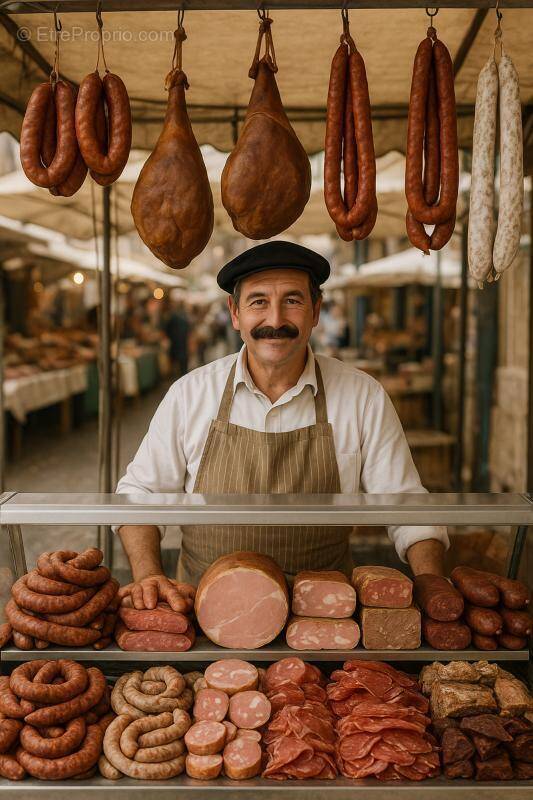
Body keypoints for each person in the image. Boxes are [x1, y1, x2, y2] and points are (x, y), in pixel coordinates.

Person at [115, 241, 448, 607]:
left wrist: (433, 586)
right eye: (258, 301)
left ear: (316, 310)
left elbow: (408, 507)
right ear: (235, 313)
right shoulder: (190, 394)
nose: (275, 320)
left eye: (292, 300)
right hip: (205, 616)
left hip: (323, 620)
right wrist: (149, 577)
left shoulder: (362, 395)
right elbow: (140, 496)